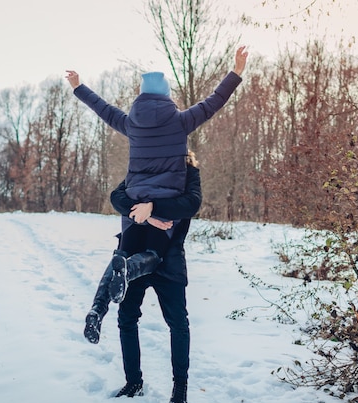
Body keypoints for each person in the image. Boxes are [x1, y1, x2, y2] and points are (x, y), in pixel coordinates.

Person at [65, 46, 248, 305]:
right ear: (166, 95)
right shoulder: (181, 122)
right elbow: (214, 101)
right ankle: (128, 270)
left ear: (141, 95)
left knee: (127, 252)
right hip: (164, 206)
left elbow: (103, 109)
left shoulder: (131, 123)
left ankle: (99, 306)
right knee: (155, 254)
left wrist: (78, 87)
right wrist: (236, 71)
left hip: (135, 204)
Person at [109, 151, 201, 403]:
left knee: (178, 323)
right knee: (127, 319)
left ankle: (180, 388)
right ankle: (133, 382)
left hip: (168, 259)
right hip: (134, 252)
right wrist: (144, 214)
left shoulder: (188, 171)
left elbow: (191, 203)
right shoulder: (144, 164)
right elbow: (117, 196)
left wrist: (154, 207)